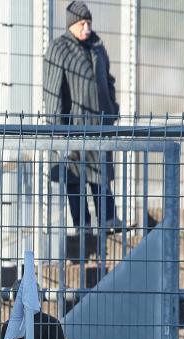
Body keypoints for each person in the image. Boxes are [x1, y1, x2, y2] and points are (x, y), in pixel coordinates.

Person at [43, 1, 123, 231]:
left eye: (89, 22)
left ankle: (108, 220)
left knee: (101, 176)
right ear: (71, 25)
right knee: (75, 178)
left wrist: (112, 108)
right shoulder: (59, 49)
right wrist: (56, 129)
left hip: (100, 125)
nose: (87, 28)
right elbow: (52, 90)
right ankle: (83, 225)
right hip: (73, 127)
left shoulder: (97, 46)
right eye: (82, 23)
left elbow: (108, 80)